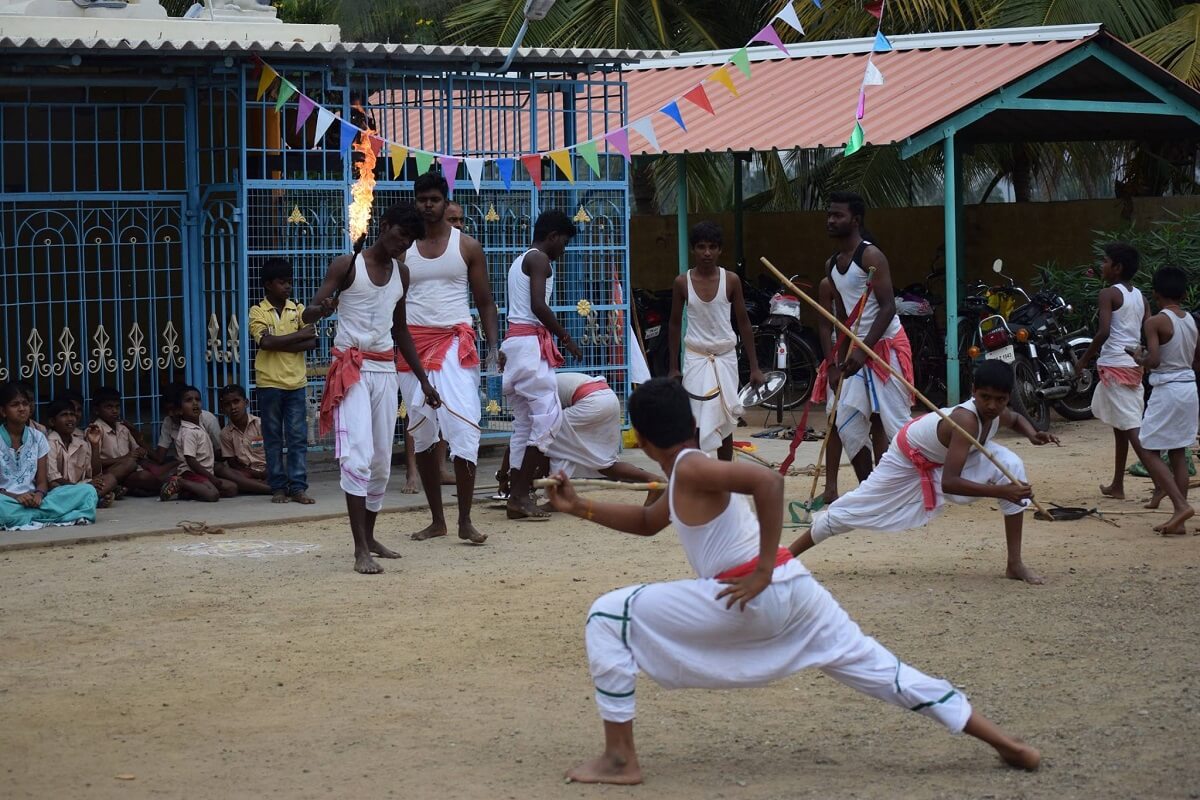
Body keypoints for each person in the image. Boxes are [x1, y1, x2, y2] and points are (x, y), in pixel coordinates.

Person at [543, 378, 1040, 785]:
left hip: (753, 590)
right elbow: (649, 523)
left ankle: (620, 759)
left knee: (608, 615)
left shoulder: (693, 468)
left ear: (643, 441)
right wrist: (578, 506)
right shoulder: (685, 471)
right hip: (795, 590)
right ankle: (1007, 743)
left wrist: (760, 569)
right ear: (692, 425)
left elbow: (769, 481)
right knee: (884, 671)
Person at [791, 361, 1051, 584]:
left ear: (1007, 398)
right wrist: (1001, 491)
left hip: (948, 457)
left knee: (1012, 467)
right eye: (985, 397)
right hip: (907, 458)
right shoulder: (966, 421)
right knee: (854, 510)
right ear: (973, 392)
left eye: (1000, 400)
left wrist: (1032, 434)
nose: (992, 405)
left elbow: (1015, 419)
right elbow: (950, 483)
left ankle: (1014, 564)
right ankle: (784, 558)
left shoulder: (998, 412)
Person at [309, 202, 442, 574]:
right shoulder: (346, 265)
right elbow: (309, 311)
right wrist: (323, 309)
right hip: (350, 369)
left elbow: (400, 331)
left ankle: (369, 538)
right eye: (401, 236)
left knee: (382, 463)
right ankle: (359, 551)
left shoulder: (402, 273)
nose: (403, 245)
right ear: (384, 226)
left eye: (410, 241)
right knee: (357, 456)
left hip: (384, 370)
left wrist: (423, 380)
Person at [400, 172, 498, 545]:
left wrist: (491, 345)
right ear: (415, 201)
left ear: (445, 201)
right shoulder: (402, 246)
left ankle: (466, 520)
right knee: (423, 432)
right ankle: (437, 519)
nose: (428, 205)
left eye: (434, 199)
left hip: (457, 344)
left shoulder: (468, 246)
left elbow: (485, 301)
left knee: (465, 424)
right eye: (421, 199)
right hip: (412, 348)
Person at [820, 191, 913, 502]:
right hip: (856, 352)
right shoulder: (832, 265)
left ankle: (920, 483)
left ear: (855, 220)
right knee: (846, 421)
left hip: (886, 348)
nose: (831, 220)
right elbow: (845, 319)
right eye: (829, 214)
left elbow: (888, 309)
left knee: (897, 424)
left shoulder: (872, 256)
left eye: (838, 215)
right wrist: (834, 363)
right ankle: (872, 490)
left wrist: (863, 351)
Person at [501, 209, 582, 520]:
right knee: (548, 419)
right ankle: (521, 494)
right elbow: (538, 304)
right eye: (563, 242)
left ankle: (515, 495)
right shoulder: (539, 260)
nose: (563, 249)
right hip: (530, 346)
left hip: (518, 345)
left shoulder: (520, 260)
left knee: (524, 424)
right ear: (553, 237)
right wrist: (565, 337)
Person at [668, 222, 764, 461]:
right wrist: (673, 367)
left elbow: (743, 322)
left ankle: (725, 477)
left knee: (725, 419)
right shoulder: (682, 282)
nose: (707, 253)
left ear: (720, 250)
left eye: (712, 247)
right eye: (701, 247)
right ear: (693, 250)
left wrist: (754, 367)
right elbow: (674, 324)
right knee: (695, 420)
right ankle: (698, 475)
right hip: (696, 358)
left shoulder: (731, 280)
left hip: (725, 358)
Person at [1075, 242, 1148, 501]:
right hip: (1133, 365)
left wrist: (1083, 360)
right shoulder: (1140, 296)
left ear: (1117, 268)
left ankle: (1162, 483)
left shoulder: (1108, 294)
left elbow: (1104, 331)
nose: (1102, 265)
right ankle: (1118, 484)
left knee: (1130, 428)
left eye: (1105, 261)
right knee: (1122, 427)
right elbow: (1145, 331)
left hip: (1115, 365)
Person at [1129, 266, 1198, 535]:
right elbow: (1196, 357)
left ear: (1155, 292)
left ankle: (1180, 506)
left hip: (1167, 389)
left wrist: (1139, 358)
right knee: (1179, 451)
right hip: (1188, 387)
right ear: (1183, 293)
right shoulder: (1190, 320)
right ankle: (1178, 519)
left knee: (1147, 448)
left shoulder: (1155, 322)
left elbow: (1154, 360)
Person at [249, 258, 318, 504]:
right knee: (273, 438)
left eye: (289, 282)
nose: (287, 287)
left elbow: (313, 342)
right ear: (268, 284)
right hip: (269, 383)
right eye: (282, 282)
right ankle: (278, 486)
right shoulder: (257, 311)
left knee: (297, 437)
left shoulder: (297, 308)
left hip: (296, 383)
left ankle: (298, 487)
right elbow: (264, 343)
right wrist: (297, 337)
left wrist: (281, 343)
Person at [546, 372, 664, 501]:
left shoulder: (536, 388)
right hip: (608, 398)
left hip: (591, 402)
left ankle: (557, 497)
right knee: (604, 463)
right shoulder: (543, 381)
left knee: (550, 440)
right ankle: (653, 480)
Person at [0, 383, 97, 530]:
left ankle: (26, 517)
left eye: (25, 404)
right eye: (15, 405)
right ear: (3, 411)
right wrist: (16, 497)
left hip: (36, 500)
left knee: (87, 491)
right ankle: (47, 516)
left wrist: (38, 495)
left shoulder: (38, 437)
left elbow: (42, 482)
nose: (22, 409)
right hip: (7, 500)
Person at [159, 386, 238, 503]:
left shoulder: (200, 424)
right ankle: (179, 482)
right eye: (189, 400)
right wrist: (211, 478)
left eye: (197, 399)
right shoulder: (188, 431)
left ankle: (188, 492)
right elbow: (191, 460)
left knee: (232, 488)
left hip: (205, 472)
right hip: (191, 473)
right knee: (213, 495)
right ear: (180, 410)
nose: (195, 403)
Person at [45, 398, 119, 508]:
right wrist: (83, 488)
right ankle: (89, 499)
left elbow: (95, 474)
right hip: (60, 489)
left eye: (72, 414)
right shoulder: (49, 443)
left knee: (110, 479)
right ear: (52, 422)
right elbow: (54, 479)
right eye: (64, 415)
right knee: (54, 486)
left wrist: (94, 445)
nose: (70, 419)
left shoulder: (81, 443)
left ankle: (84, 499)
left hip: (79, 486)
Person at [88, 386, 159, 496]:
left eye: (117, 407)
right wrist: (124, 459)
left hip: (130, 470)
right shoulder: (95, 430)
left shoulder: (123, 427)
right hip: (108, 473)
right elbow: (92, 464)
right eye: (109, 407)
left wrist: (140, 452)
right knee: (140, 473)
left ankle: (122, 488)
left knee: (162, 469)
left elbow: (137, 451)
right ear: (96, 410)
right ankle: (115, 487)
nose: (114, 411)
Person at [217, 384, 273, 496]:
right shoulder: (225, 433)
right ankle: (268, 488)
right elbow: (232, 463)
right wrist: (255, 475)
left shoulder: (260, 424)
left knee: (280, 471)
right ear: (223, 409)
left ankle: (255, 486)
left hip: (267, 469)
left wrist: (265, 472)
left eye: (236, 401)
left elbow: (274, 452)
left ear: (246, 403)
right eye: (228, 404)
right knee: (222, 470)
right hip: (246, 473)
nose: (233, 407)